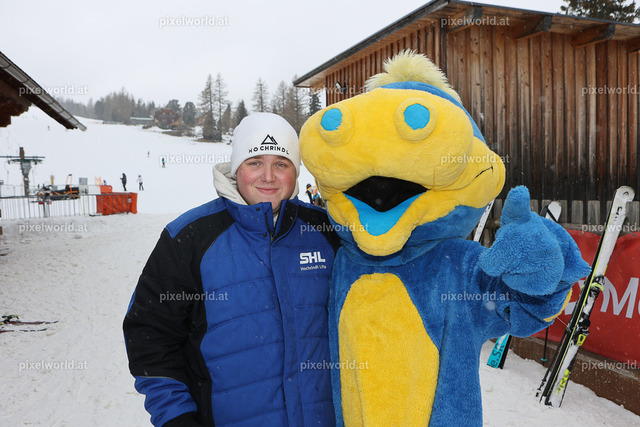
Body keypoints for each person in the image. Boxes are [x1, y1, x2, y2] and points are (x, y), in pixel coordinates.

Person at [123, 112, 339, 427]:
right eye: (255, 162)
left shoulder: (326, 231)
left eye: (281, 164)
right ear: (236, 168)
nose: (268, 176)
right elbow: (150, 335)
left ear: (296, 171)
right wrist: (175, 417)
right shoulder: (189, 238)